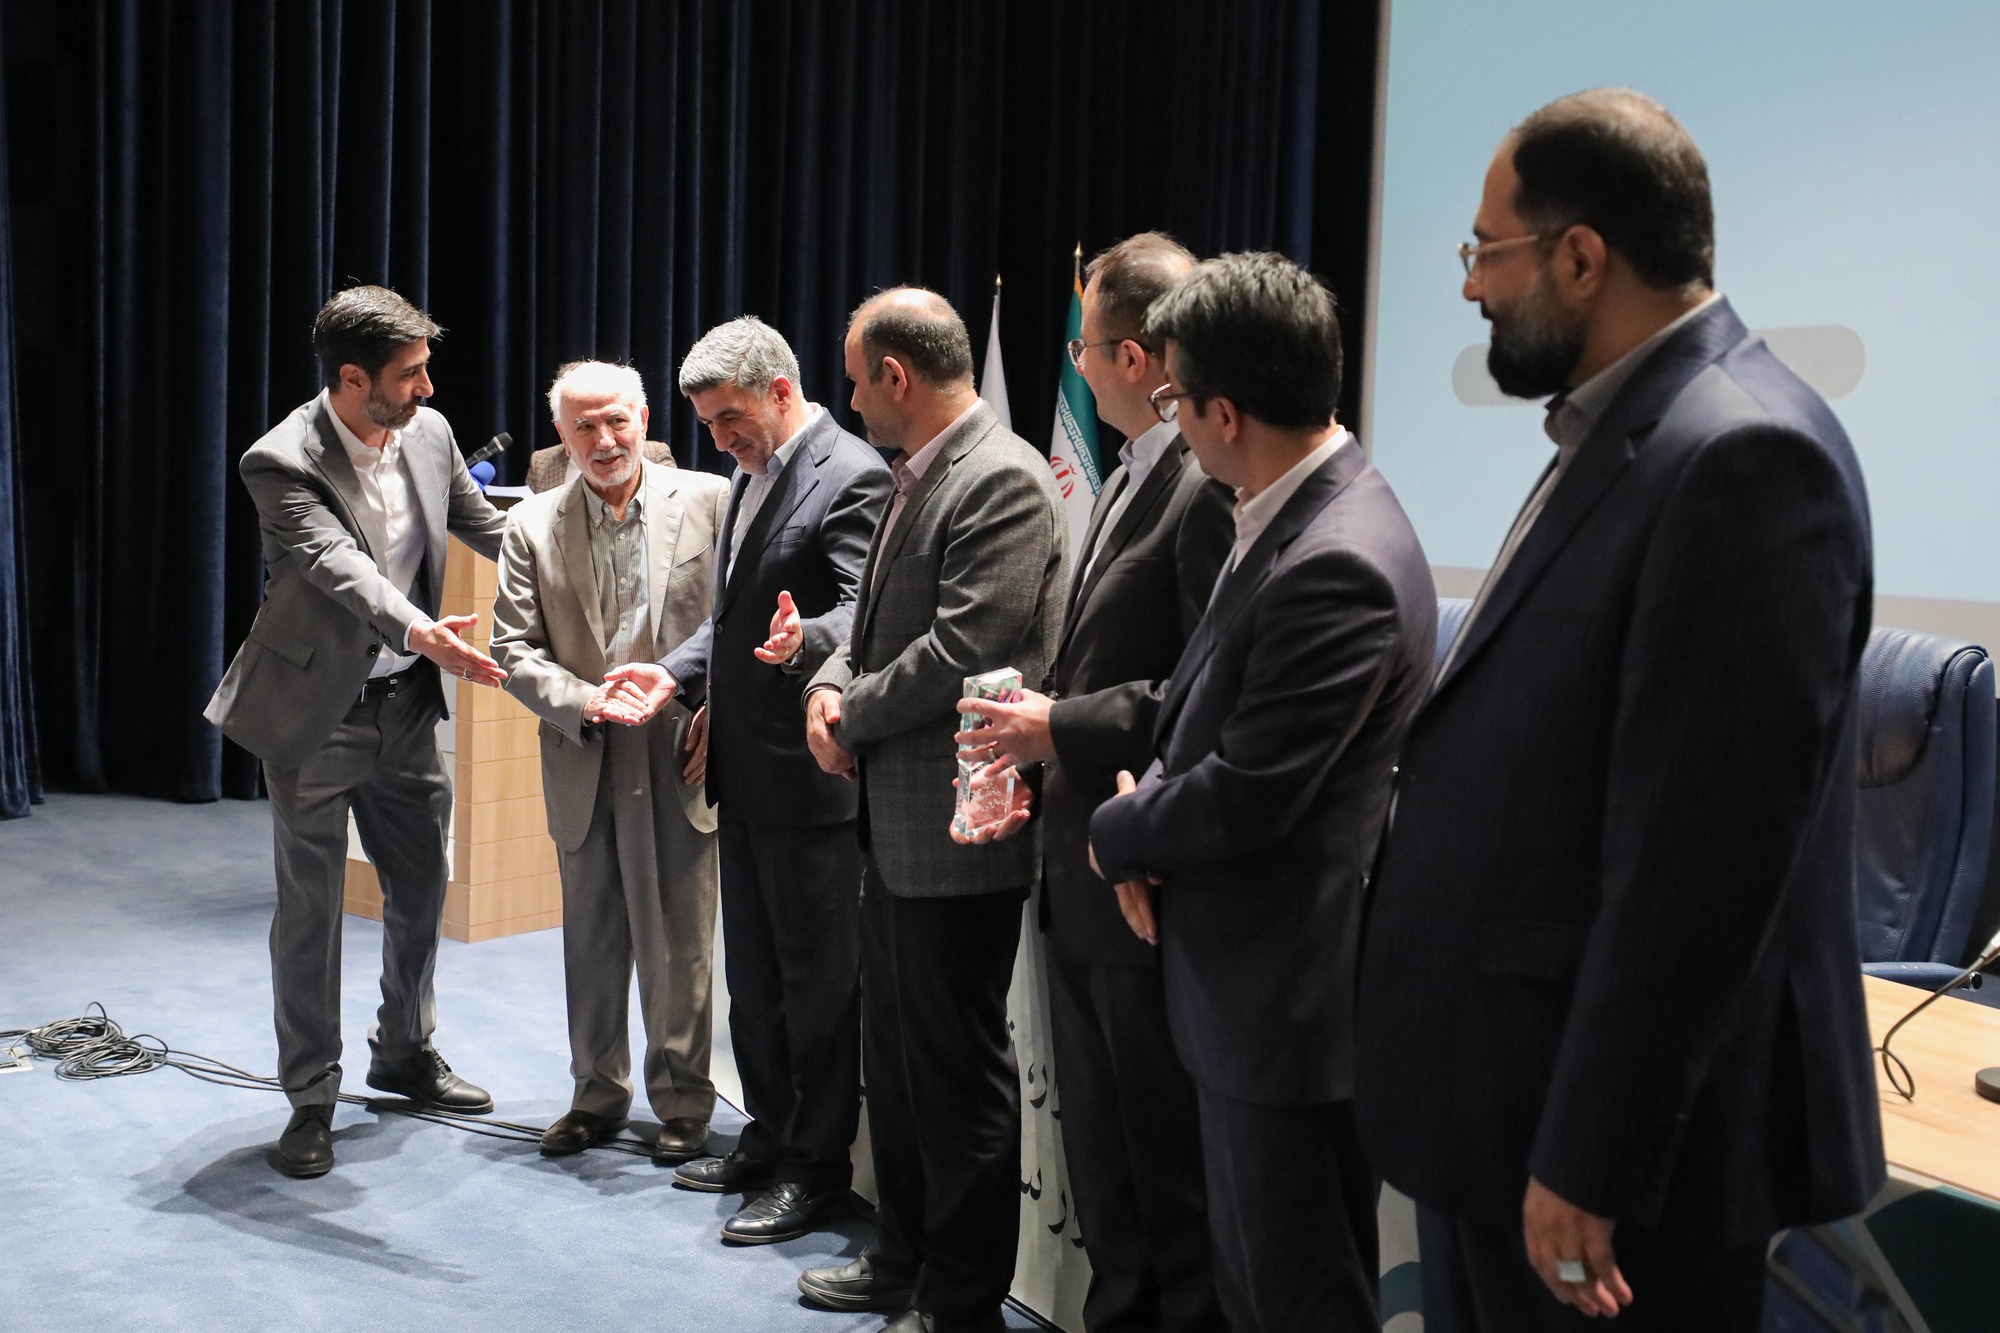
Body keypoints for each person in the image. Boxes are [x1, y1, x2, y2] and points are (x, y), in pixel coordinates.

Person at [1355, 88, 1882, 1332]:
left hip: (1600, 1170)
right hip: (1506, 1111)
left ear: (1580, 258)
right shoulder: (1631, 431)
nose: (1470, 286)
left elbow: (1699, 865)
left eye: (1485, 251)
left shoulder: (1744, 455)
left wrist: (1590, 1150)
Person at [1085, 252, 1436, 1333]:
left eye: (1173, 402)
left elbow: (1247, 789)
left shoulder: (1338, 558)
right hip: (1241, 985)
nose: (1171, 423)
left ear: (1223, 412)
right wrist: (1151, 816)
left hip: (1282, 1003)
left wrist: (1118, 829)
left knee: (1294, 1300)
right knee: (1251, 1290)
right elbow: (1202, 714)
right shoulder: (1284, 509)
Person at [951, 233, 1233, 1332]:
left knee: (1159, 1182)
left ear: (1133, 357)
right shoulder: (1124, 475)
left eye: (1083, 345)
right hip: (1078, 864)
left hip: (1143, 880)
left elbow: (1209, 690)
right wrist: (1042, 729)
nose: (1074, 361)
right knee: (1106, 1177)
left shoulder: (1206, 487)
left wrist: (1057, 725)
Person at [793, 288, 1066, 1333]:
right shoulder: (920, 472)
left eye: (856, 381)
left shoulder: (998, 477)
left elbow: (963, 648)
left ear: (896, 376)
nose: (852, 401)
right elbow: (870, 624)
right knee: (901, 1069)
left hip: (959, 834)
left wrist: (849, 715)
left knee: (954, 1079)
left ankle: (958, 1300)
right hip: (900, 826)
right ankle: (900, 1256)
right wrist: (826, 687)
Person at [204, 284, 510, 1179]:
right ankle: (310, 1095)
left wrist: (581, 556)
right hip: (315, 714)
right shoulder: (280, 461)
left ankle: (403, 1048)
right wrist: (422, 630)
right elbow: (339, 568)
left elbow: (488, 527)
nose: (427, 387)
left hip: (405, 709)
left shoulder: (431, 433)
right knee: (312, 911)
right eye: (409, 374)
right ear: (352, 379)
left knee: (421, 887)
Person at [600, 317, 892, 1244]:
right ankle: (767, 1137)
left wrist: (806, 640)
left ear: (780, 390)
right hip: (748, 774)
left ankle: (815, 1169)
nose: (720, 439)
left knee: (816, 990)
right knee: (756, 983)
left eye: (731, 418)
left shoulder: (852, 473)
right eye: (708, 424)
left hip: (813, 784)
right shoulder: (752, 473)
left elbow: (864, 611)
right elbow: (732, 618)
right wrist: (673, 672)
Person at [488, 360, 731, 1166]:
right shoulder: (530, 525)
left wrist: (717, 708)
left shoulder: (712, 500)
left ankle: (684, 1101)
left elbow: (735, 623)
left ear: (645, 418)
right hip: (584, 749)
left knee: (680, 941)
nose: (604, 439)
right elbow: (512, 649)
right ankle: (596, 1094)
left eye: (618, 420)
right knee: (591, 939)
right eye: (584, 425)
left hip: (679, 749)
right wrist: (586, 701)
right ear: (562, 434)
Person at [524, 435, 674, 491]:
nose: (604, 443)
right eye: (585, 425)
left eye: (615, 421)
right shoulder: (542, 461)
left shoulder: (654, 454)